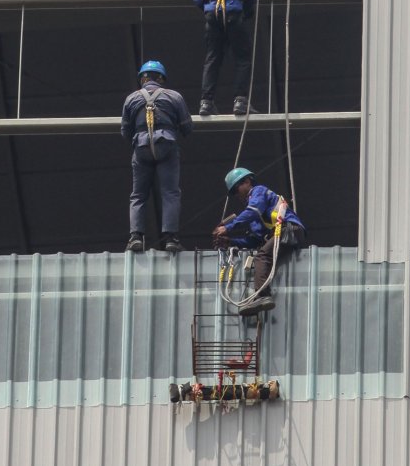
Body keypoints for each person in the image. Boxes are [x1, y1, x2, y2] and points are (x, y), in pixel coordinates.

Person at [120, 60, 192, 254]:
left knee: (138, 195)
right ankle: (171, 238)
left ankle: (136, 237)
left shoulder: (131, 99)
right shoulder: (174, 97)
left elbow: (125, 131)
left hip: (141, 147)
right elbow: (187, 126)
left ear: (142, 78)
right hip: (166, 145)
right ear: (161, 78)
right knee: (170, 192)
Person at [214, 167, 306, 315]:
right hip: (282, 233)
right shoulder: (255, 213)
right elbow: (255, 239)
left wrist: (228, 228)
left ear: (248, 181)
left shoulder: (258, 192)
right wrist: (230, 241)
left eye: (236, 189)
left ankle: (263, 296)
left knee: (262, 256)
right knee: (263, 253)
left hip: (290, 230)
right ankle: (262, 296)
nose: (236, 194)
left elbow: (253, 211)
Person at [193, 0, 257, 117]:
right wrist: (246, 14)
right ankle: (240, 101)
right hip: (233, 11)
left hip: (213, 13)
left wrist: (209, 10)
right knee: (243, 58)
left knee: (212, 59)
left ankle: (206, 102)